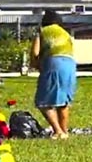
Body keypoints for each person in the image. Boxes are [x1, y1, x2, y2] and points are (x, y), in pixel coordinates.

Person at [31, 10, 77, 140]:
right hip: (70, 64)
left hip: (53, 62)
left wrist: (36, 65)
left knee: (43, 102)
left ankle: (58, 131)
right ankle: (64, 131)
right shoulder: (66, 33)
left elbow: (35, 53)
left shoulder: (42, 31)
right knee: (63, 102)